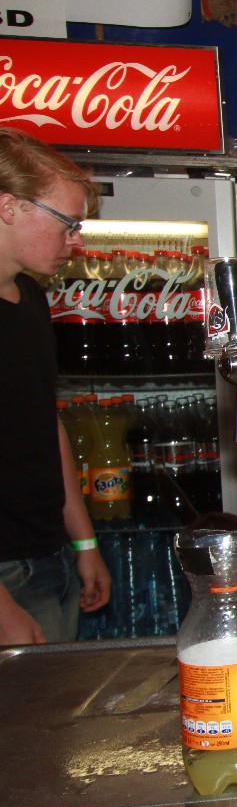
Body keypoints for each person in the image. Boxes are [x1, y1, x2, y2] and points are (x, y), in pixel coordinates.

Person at [0, 127, 111, 644]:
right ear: (9, 207)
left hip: (48, 555)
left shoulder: (31, 299)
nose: (77, 241)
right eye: (68, 224)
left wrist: (83, 541)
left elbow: (46, 424)